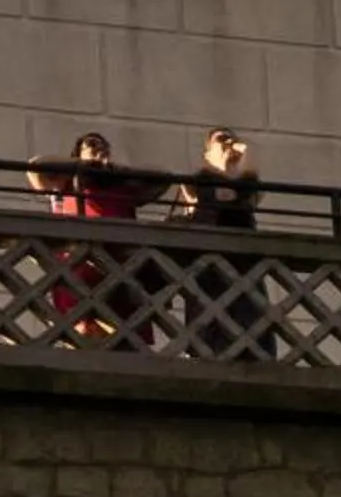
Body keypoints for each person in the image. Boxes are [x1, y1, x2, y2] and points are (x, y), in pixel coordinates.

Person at [26, 130, 167, 347]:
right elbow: (36, 165)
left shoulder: (121, 184)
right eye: (91, 145)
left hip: (122, 270)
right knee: (84, 336)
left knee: (127, 338)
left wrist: (118, 171)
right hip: (79, 268)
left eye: (102, 147)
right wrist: (80, 166)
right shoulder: (66, 183)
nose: (98, 149)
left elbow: (162, 177)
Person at [171, 127, 273, 359]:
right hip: (210, 262)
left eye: (231, 138)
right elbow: (209, 198)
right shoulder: (199, 181)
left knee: (249, 317)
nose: (228, 142)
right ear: (207, 153)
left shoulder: (246, 186)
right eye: (220, 139)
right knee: (209, 322)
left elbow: (251, 185)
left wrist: (245, 151)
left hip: (244, 264)